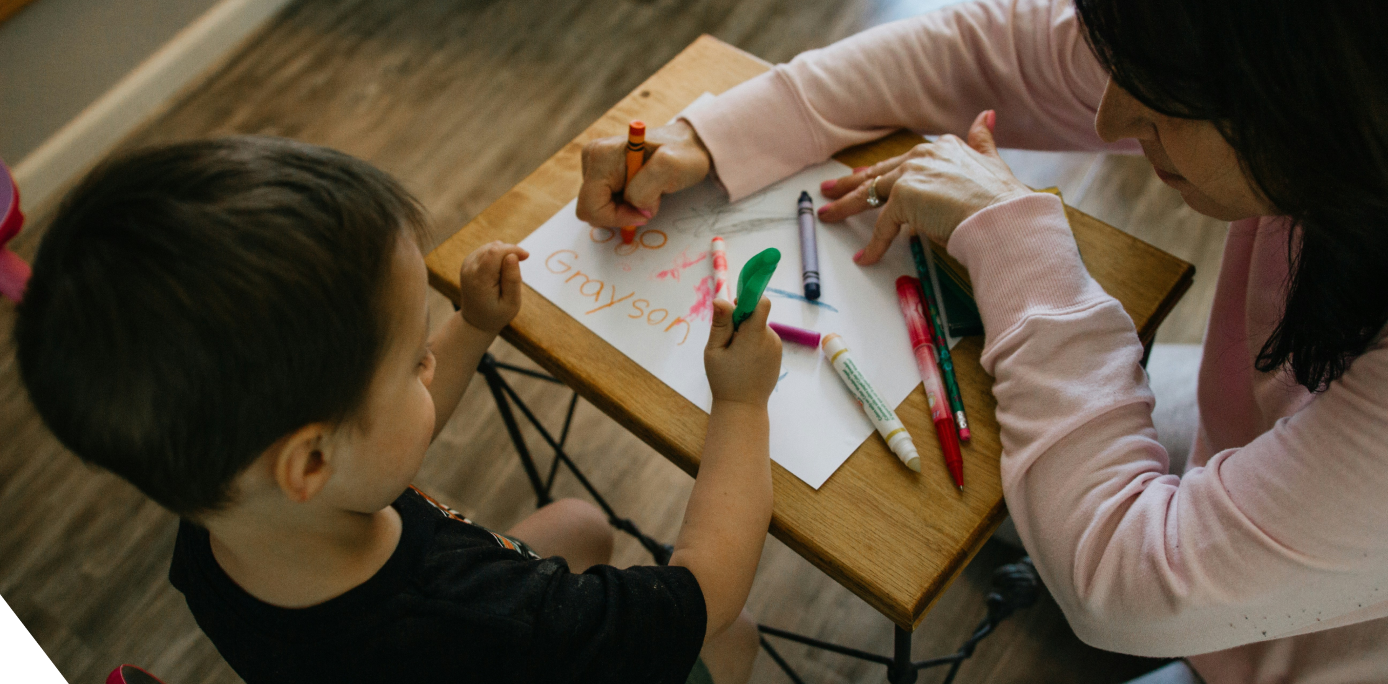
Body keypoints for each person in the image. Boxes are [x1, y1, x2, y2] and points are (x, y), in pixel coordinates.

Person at [575, 0, 1388, 682]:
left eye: (1159, 99)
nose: (1108, 116)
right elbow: (989, 50)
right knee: (1010, 494)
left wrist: (1016, 240)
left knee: (1047, 519)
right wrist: (711, 136)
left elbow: (1124, 582)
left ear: (1311, 97)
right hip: (1262, 434)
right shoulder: (1308, 71)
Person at [14, 136, 782, 684]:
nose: (430, 363)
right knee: (734, 637)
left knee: (581, 523)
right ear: (310, 460)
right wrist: (742, 401)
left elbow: (372, 444)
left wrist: (472, 327)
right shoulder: (487, 615)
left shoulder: (222, 509)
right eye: (415, 361)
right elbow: (707, 589)